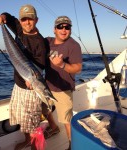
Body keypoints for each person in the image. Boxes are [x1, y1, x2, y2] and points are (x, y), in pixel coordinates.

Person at [0, 4, 59, 150]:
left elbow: (40, 68)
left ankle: (34, 147)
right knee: (23, 119)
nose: (27, 22)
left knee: (33, 123)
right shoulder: (18, 27)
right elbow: (8, 17)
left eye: (31, 19)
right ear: (21, 20)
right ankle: (27, 140)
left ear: (36, 20)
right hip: (19, 85)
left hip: (31, 89)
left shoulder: (40, 43)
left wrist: (33, 82)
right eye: (24, 19)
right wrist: (2, 18)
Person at [45, 16, 82, 150]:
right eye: (60, 26)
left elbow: (78, 68)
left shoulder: (73, 45)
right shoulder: (47, 41)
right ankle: (53, 127)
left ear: (70, 30)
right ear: (54, 29)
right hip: (46, 86)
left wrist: (62, 65)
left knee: (67, 120)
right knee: (44, 109)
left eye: (67, 27)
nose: (64, 29)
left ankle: (73, 145)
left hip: (63, 89)